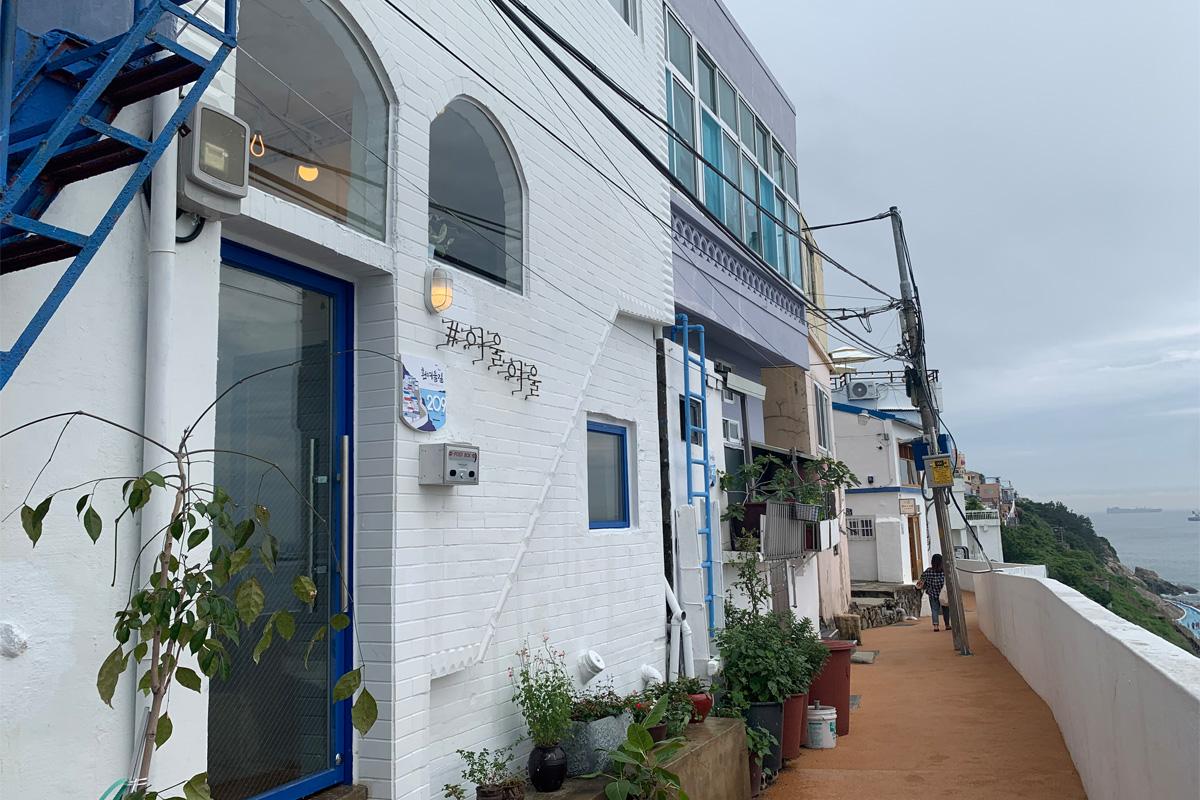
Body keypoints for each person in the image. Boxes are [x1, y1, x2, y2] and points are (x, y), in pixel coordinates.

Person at [917, 554, 951, 631]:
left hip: (932, 593)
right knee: (946, 609)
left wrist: (920, 586)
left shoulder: (928, 571)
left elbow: (921, 580)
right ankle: (947, 625)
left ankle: (936, 626)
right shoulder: (944, 571)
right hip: (943, 593)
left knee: (934, 609)